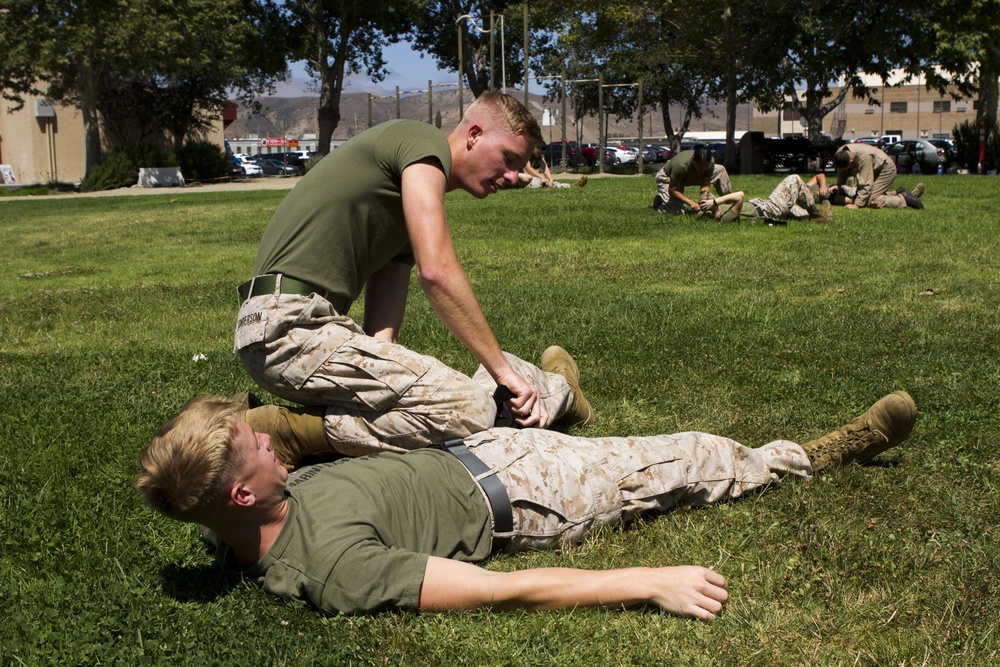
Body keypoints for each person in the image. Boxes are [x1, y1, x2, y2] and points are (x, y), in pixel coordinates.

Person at [136, 382, 917, 620]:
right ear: (241, 490)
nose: (272, 444)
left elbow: (216, 507)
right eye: (257, 450)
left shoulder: (242, 522)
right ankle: (809, 456)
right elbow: (496, 590)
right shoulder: (336, 571)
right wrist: (648, 581)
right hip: (528, 493)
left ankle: (559, 386)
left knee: (496, 385)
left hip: (473, 452)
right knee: (688, 453)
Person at [233, 92, 592, 456]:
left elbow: (381, 338)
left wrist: (401, 386)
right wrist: (501, 371)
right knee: (471, 409)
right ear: (474, 134)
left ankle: (556, 389)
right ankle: (286, 431)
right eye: (509, 159)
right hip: (289, 328)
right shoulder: (422, 141)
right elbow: (435, 272)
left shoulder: (404, 204)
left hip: (288, 330)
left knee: (444, 399)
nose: (514, 176)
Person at [702, 174, 834, 224]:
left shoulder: (716, 211)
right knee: (794, 180)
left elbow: (698, 207)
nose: (710, 196)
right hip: (769, 210)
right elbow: (740, 195)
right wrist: (715, 201)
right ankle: (816, 214)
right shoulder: (724, 218)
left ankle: (822, 207)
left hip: (766, 205)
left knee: (801, 213)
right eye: (708, 200)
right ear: (709, 209)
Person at [831, 143, 925, 210]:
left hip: (885, 170)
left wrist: (857, 205)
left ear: (851, 161)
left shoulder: (863, 158)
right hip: (874, 168)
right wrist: (839, 187)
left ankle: (904, 199)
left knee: (870, 200)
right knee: (865, 196)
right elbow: (842, 172)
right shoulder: (840, 153)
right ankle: (897, 192)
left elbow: (866, 184)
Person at [650, 144, 733, 214]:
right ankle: (658, 204)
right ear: (693, 159)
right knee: (676, 212)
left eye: (705, 167)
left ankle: (730, 201)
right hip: (669, 177)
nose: (703, 169)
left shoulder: (710, 162)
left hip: (692, 175)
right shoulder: (681, 166)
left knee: (720, 169)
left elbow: (705, 183)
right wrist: (692, 203)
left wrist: (704, 197)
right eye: (700, 166)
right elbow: (673, 190)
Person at [513, 144, 587, 189]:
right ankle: (570, 186)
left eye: (541, 153)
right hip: (517, 179)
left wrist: (550, 179)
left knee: (546, 182)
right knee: (537, 181)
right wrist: (542, 177)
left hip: (524, 178)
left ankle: (570, 186)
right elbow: (528, 169)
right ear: (534, 148)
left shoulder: (538, 154)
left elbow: (544, 166)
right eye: (538, 152)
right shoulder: (526, 152)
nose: (539, 155)